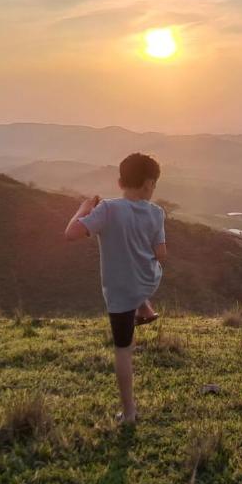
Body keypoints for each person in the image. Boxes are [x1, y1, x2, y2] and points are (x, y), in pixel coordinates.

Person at [64, 152, 167, 424]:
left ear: (120, 182)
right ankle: (144, 304)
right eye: (154, 184)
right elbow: (161, 254)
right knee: (146, 271)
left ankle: (129, 413)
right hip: (149, 278)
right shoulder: (157, 213)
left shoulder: (107, 210)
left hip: (120, 290)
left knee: (123, 350)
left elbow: (71, 233)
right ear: (148, 184)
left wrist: (84, 209)